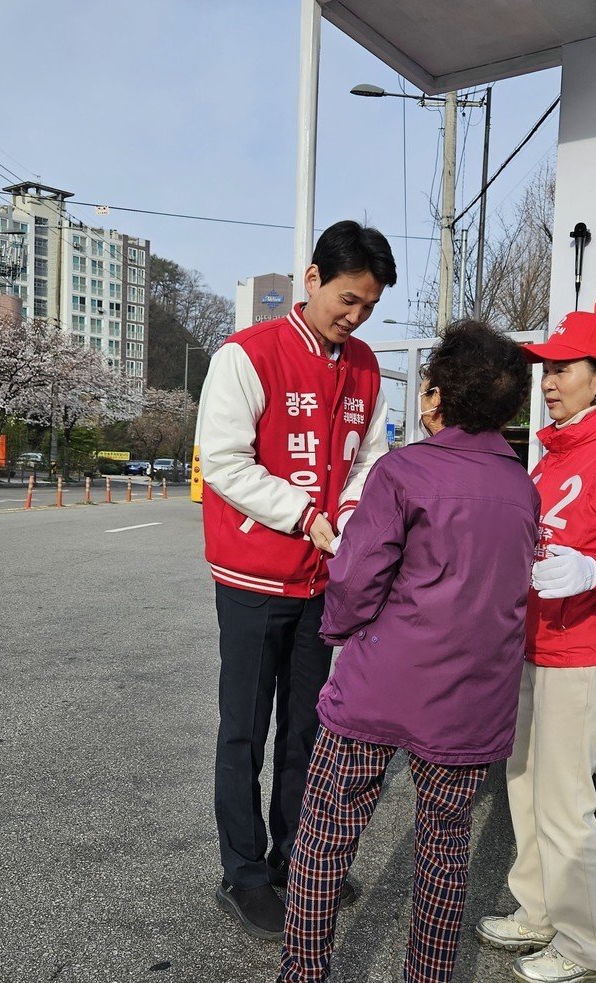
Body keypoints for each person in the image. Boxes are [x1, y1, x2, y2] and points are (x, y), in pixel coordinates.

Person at [279, 320, 539, 983]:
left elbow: (357, 579)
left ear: (439, 394)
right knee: (445, 851)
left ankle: (304, 973)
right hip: (470, 701)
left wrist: (337, 629)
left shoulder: (404, 471)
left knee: (326, 834)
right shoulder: (521, 487)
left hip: (378, 687)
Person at [196, 220, 395, 940]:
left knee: (308, 731)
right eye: (347, 298)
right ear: (311, 280)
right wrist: (306, 513)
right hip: (252, 575)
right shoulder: (248, 355)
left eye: (368, 306)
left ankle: (295, 861)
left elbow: (372, 456)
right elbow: (223, 460)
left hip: (322, 582)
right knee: (244, 731)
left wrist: (348, 508)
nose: (355, 315)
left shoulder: (367, 367)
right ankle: (243, 874)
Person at [476, 311, 596, 983]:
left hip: (581, 656)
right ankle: (537, 910)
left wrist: (595, 571)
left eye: (563, 368)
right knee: (523, 789)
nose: (548, 381)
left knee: (564, 806)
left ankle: (588, 948)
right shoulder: (551, 458)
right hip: (530, 651)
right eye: (546, 368)